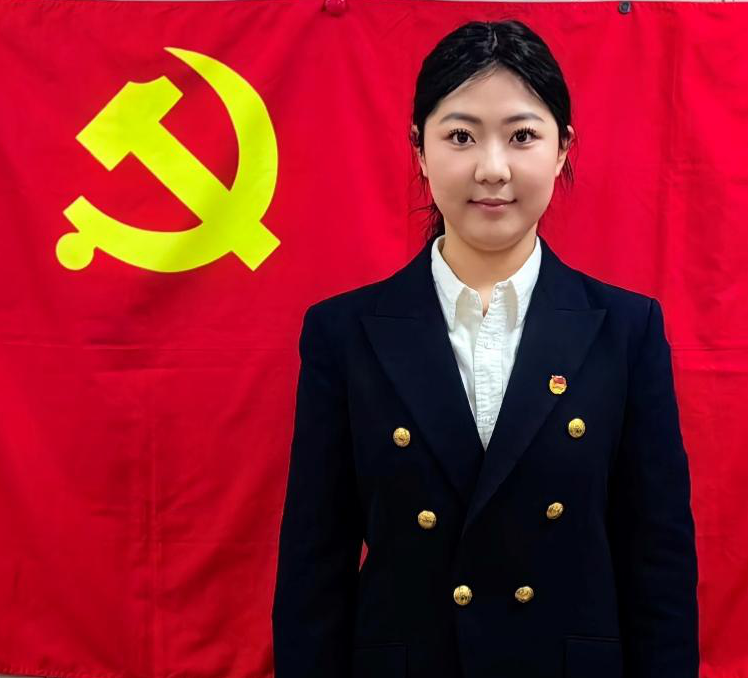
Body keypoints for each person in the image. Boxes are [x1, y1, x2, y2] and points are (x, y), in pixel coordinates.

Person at [272, 19, 698, 678]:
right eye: (460, 136)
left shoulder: (625, 330)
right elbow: (313, 567)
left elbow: (658, 563)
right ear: (419, 149)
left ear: (562, 149)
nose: (492, 169)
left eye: (522, 136)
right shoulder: (344, 333)